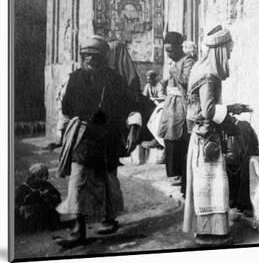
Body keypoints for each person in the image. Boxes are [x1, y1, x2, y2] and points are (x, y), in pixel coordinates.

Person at [52, 35, 141, 248]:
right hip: (82, 136)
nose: (90, 59)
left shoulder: (114, 80)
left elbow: (128, 107)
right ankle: (78, 229)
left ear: (103, 57)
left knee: (107, 180)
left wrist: (132, 128)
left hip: (107, 137)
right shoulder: (74, 79)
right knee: (78, 180)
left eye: (95, 55)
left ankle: (108, 218)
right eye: (87, 55)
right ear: (82, 56)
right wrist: (63, 134)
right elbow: (66, 109)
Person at [183, 25, 251, 246]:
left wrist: (232, 107)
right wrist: (232, 123)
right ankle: (212, 234)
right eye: (228, 50)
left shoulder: (200, 68)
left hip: (201, 136)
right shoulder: (209, 75)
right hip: (207, 140)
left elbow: (206, 106)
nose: (230, 54)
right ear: (220, 49)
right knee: (212, 186)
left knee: (207, 186)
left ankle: (209, 231)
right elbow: (209, 111)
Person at [157, 32, 196, 193]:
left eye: (171, 51)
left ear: (180, 48)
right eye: (166, 51)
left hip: (182, 105)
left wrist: (173, 72)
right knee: (171, 138)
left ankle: (184, 176)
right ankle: (178, 175)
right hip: (172, 104)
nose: (169, 54)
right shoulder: (175, 62)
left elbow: (186, 81)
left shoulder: (188, 61)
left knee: (181, 139)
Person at [15, 164, 61, 233]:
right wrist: (35, 195)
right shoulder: (23, 188)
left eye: (45, 176)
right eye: (40, 176)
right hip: (30, 216)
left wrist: (48, 196)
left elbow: (57, 198)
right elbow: (18, 203)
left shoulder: (46, 185)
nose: (44, 179)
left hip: (45, 215)